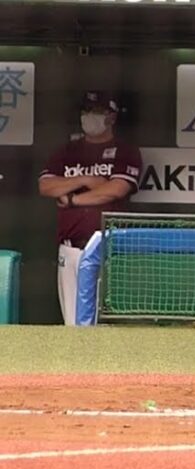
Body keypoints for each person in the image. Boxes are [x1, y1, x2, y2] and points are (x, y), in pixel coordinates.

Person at [38, 90, 142, 326]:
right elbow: (46, 186)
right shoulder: (66, 151)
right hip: (71, 248)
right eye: (85, 111)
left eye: (95, 111)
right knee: (74, 322)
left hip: (110, 248)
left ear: (111, 116)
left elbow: (115, 190)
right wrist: (85, 180)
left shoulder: (125, 151)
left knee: (108, 320)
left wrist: (72, 200)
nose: (88, 116)